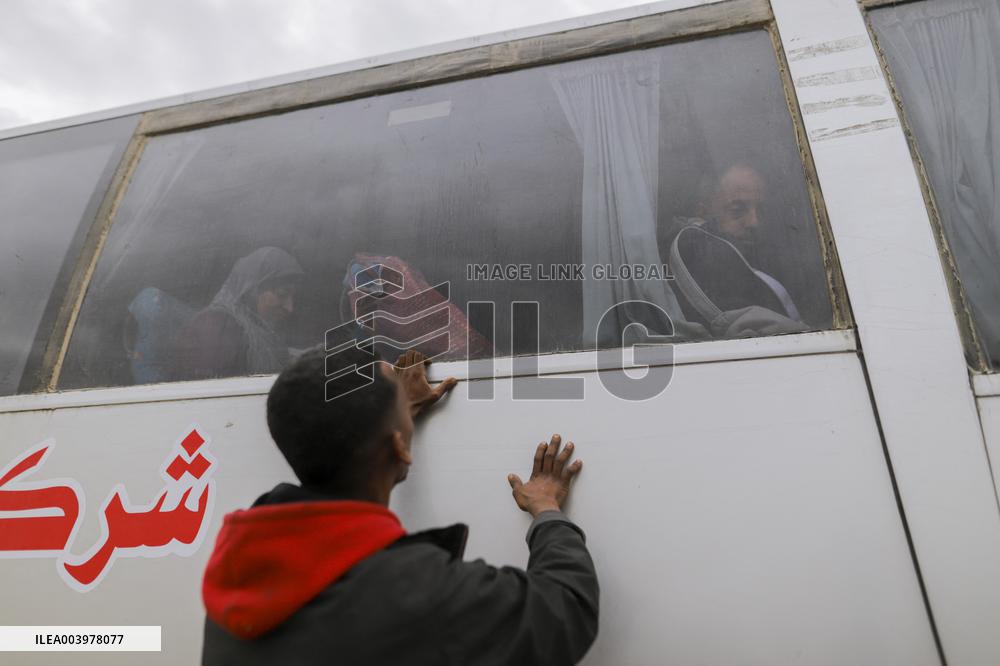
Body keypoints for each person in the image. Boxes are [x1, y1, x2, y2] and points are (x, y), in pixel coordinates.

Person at [200, 347, 599, 665]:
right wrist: (547, 510)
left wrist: (390, 423)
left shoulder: (240, 576)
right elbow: (565, 611)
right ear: (396, 448)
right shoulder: (417, 594)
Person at [662, 162, 809, 337]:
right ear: (703, 214)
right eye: (737, 210)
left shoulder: (779, 260)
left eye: (761, 210)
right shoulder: (700, 257)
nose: (755, 222)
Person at [173, 247, 303, 380]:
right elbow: (211, 393)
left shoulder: (264, 336)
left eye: (293, 298)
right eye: (282, 294)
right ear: (252, 290)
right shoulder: (218, 325)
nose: (289, 307)